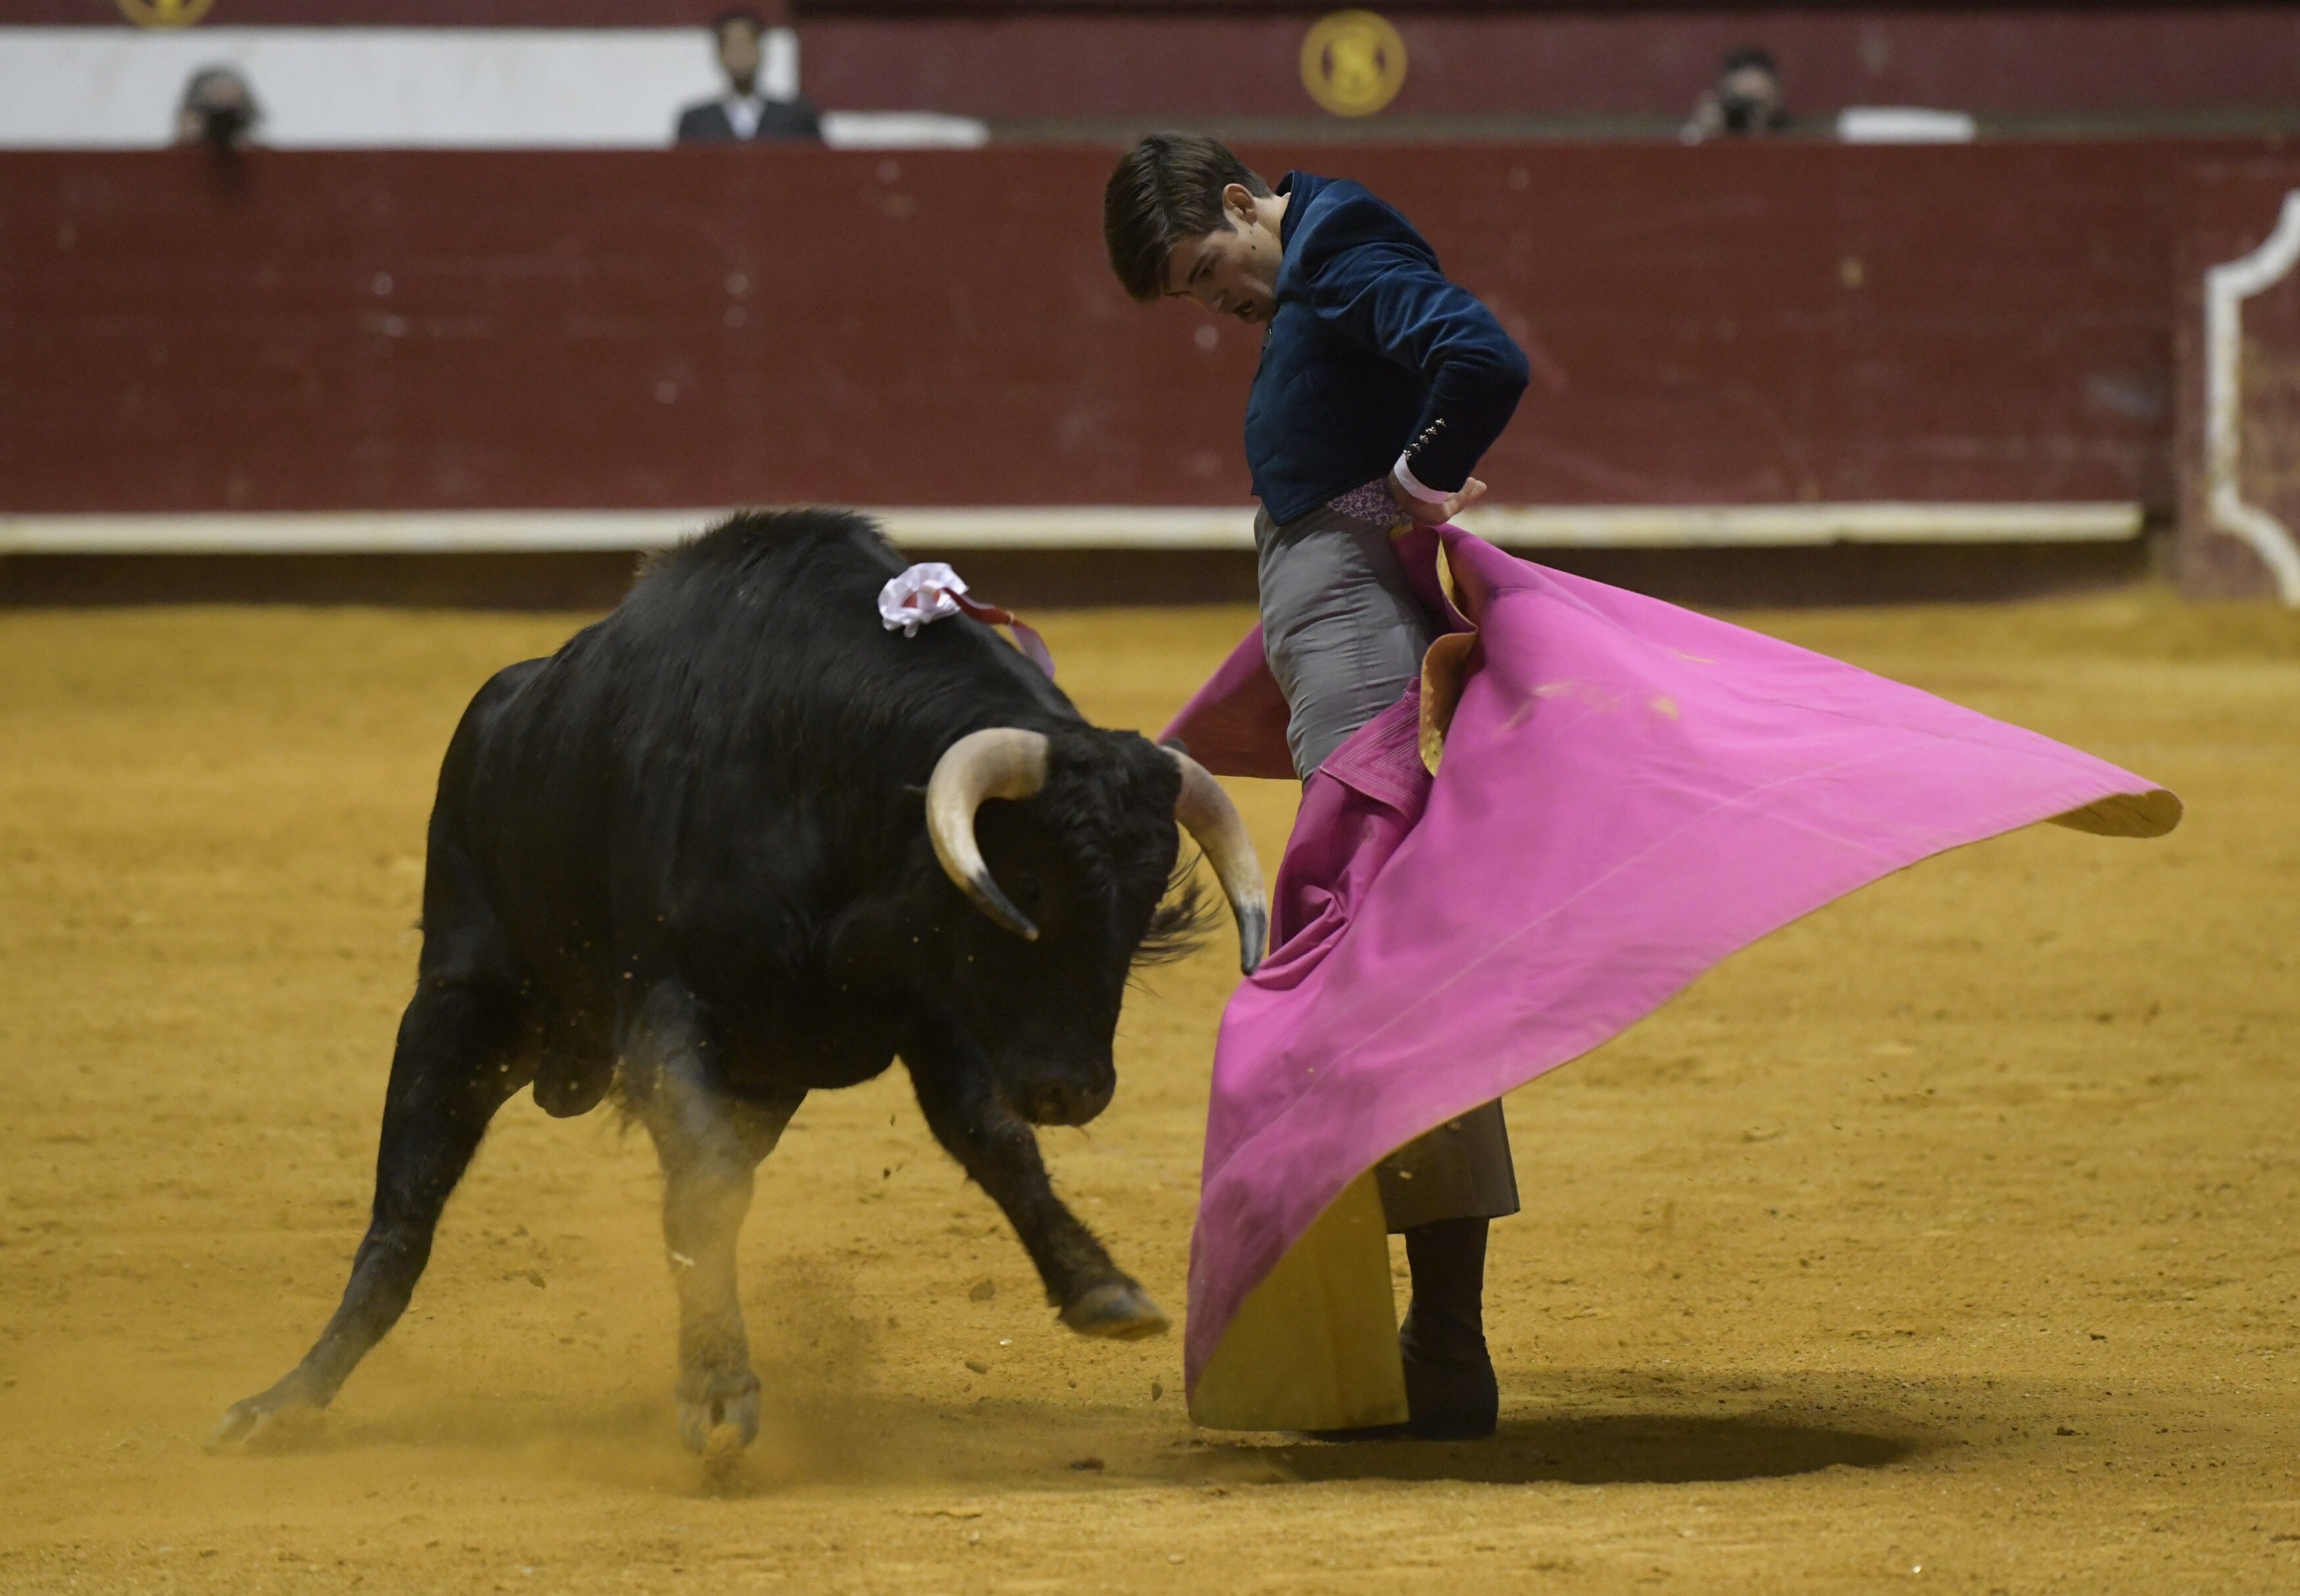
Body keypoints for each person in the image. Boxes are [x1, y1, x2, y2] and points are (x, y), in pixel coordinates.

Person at [1103, 134, 1530, 1440]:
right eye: (1190, 295)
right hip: (1336, 617)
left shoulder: (1339, 246)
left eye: (1205, 268)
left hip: (1347, 622)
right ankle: (1433, 1339)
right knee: (1379, 955)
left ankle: (1440, 1338)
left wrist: (1416, 483)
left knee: (1372, 954)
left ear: (1243, 202)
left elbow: (1484, 357)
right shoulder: (1324, 261)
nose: (1215, 304)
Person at [676, 8, 823, 144]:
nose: (740, 55)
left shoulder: (798, 117)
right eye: (732, 46)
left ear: (761, 51)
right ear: (720, 55)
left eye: (746, 44)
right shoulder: (696, 122)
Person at [1682, 45, 1792, 143]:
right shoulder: (1707, 137)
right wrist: (1696, 132)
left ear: (1776, 101)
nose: (1745, 112)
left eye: (1755, 104)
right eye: (1738, 102)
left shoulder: (1792, 142)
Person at [175, 65, 261, 150]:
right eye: (215, 108)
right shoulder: (170, 159)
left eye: (232, 110)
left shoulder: (266, 159)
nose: (223, 120)